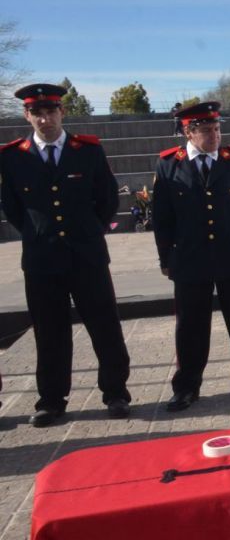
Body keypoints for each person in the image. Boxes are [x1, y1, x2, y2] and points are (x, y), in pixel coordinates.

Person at [1, 83, 132, 426]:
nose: (45, 119)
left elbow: (107, 198)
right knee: (49, 331)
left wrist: (87, 231)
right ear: (27, 116)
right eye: (37, 113)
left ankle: (116, 392)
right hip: (42, 260)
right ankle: (52, 400)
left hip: (86, 255)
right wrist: (40, 233)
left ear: (62, 112)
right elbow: (14, 208)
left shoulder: (87, 151)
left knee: (104, 326)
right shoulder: (13, 156)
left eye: (51, 111)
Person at [152, 101, 230, 411]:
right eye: (206, 130)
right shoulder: (169, 164)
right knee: (190, 326)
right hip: (189, 258)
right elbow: (163, 218)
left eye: (217, 129)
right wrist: (165, 258)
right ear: (188, 133)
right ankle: (187, 386)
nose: (214, 135)